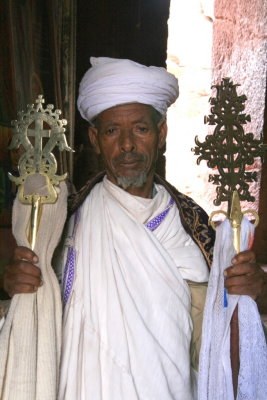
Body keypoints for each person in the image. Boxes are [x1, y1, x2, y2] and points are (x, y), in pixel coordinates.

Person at [2, 57, 267, 399]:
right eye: (113, 131)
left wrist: (252, 291)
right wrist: (14, 282)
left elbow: (222, 331)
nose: (127, 145)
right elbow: (34, 308)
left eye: (140, 129)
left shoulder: (194, 226)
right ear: (95, 139)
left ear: (161, 134)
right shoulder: (62, 222)